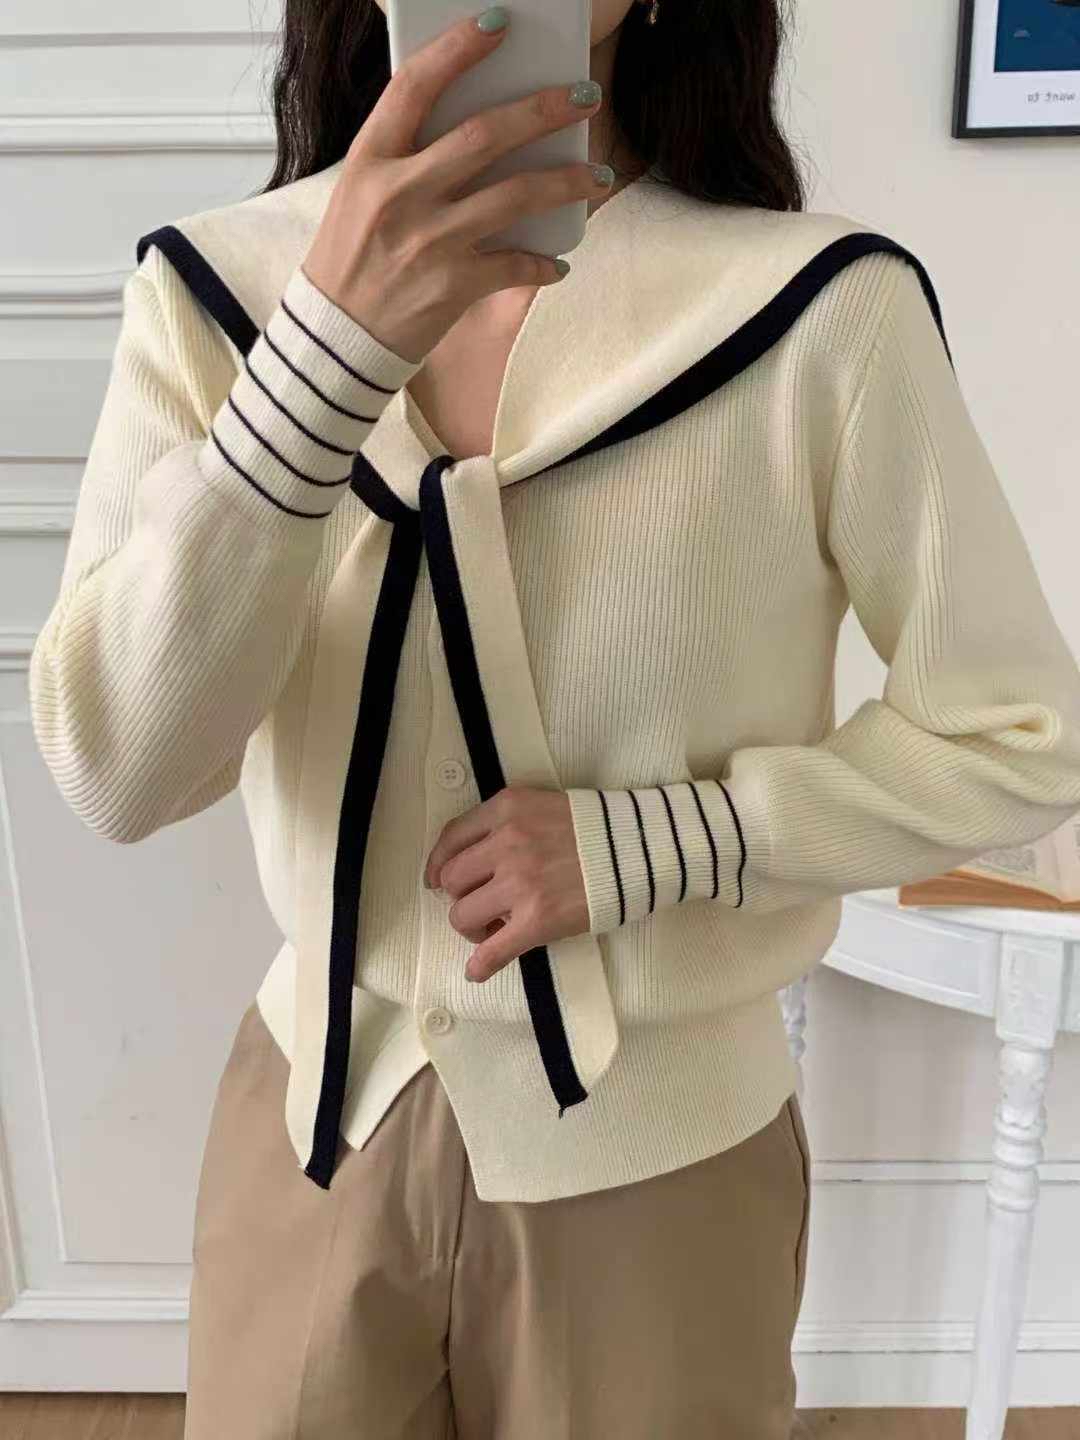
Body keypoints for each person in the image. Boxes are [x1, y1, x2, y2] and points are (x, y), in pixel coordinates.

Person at [28, 1, 1080, 1435]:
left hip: (662, 1160)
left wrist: (661, 843)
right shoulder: (216, 294)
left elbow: (1021, 733)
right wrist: (321, 358)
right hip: (317, 1131)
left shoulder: (821, 312)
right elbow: (117, 770)